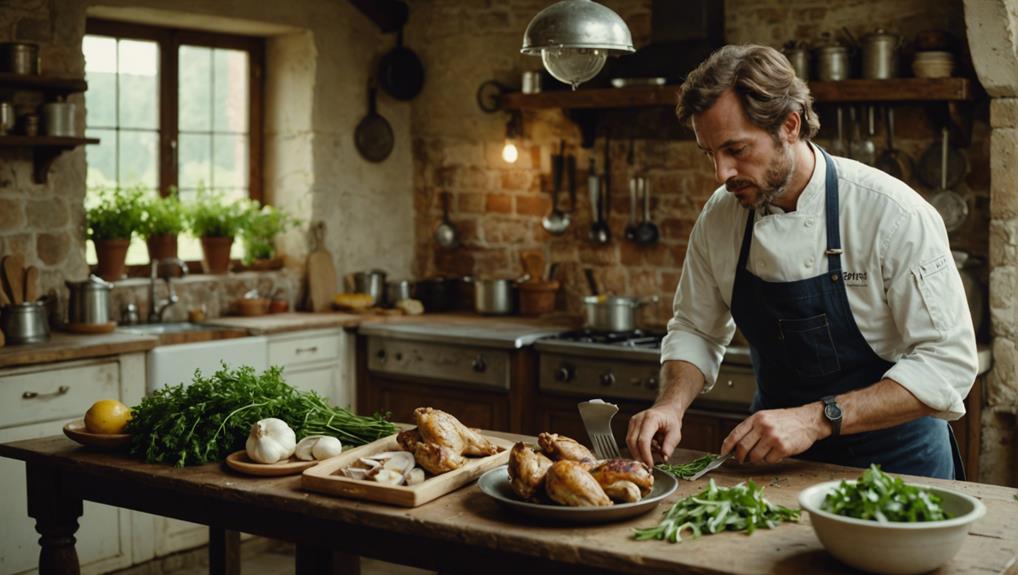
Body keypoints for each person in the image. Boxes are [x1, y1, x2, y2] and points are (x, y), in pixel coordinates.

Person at [625, 44, 978, 480]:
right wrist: (670, 404)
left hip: (899, 468)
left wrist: (814, 419)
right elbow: (697, 328)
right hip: (781, 465)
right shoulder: (720, 217)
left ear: (789, 125)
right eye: (710, 153)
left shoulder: (891, 214)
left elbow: (949, 364)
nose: (721, 173)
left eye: (736, 149)